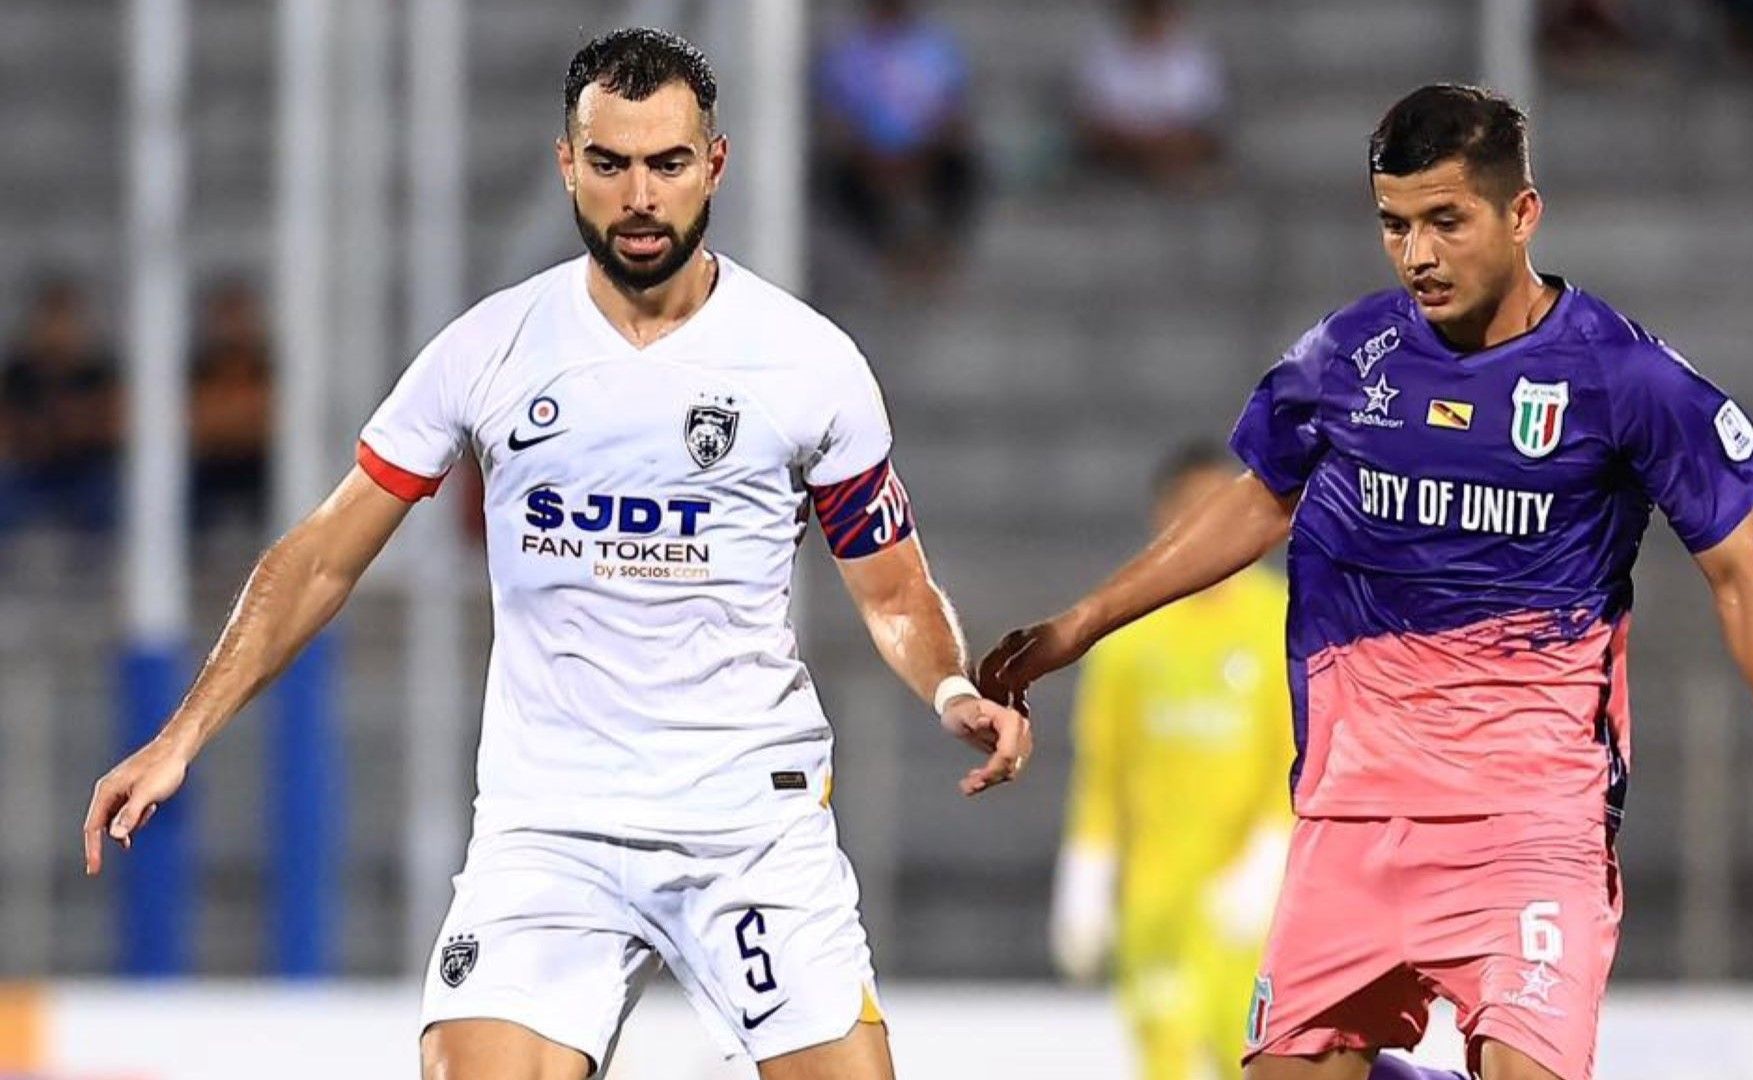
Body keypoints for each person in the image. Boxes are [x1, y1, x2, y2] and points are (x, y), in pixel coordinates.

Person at [83, 28, 1030, 1080]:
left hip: (747, 828)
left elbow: (892, 588)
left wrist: (950, 686)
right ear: (567, 164)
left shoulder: (808, 364)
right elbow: (318, 558)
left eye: (668, 163)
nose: (640, 197)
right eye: (611, 163)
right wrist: (180, 735)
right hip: (551, 831)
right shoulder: (488, 349)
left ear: (715, 164)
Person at [981, 84, 1753, 1080]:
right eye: (1395, 225)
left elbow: (1742, 574)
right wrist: (1082, 624)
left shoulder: (1624, 378)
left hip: (1533, 821)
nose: (1417, 255)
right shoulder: (1349, 358)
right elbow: (1258, 501)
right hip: (1353, 816)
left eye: (1446, 220)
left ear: (1522, 213)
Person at [1052, 442, 1294, 1080]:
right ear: (1163, 517)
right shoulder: (1129, 632)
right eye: (1191, 508)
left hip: (1253, 899)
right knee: (1165, 1062)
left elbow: (1296, 757)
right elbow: (1102, 770)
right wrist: (1086, 876)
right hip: (1156, 899)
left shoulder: (1279, 620)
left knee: (1254, 1060)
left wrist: (1267, 860)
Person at [816, 0, 980, 273]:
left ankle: (939, 248)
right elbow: (836, 114)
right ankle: (886, 252)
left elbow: (953, 109)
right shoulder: (850, 52)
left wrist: (922, 150)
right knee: (838, 181)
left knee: (962, 171)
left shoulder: (934, 48)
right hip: (866, 154)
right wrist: (870, 152)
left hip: (926, 149)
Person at [0, 277, 121, 532]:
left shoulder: (96, 372)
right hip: (30, 472)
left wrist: (78, 426)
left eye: (65, 321)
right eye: (50, 320)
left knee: (111, 496)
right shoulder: (18, 373)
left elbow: (110, 426)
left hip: (85, 473)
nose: (57, 331)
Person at [1072, 0, 1228, 188]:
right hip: (1123, 137)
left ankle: (1162, 167)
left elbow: (1205, 110)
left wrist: (1166, 131)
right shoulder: (1103, 56)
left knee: (1193, 141)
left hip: (1176, 136)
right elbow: (1093, 110)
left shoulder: (1193, 56)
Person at [188, 278, 273, 530]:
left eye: (239, 315)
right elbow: (189, 420)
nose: (233, 326)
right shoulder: (200, 367)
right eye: (227, 316)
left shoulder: (266, 365)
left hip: (257, 468)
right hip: (209, 470)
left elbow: (278, 417)